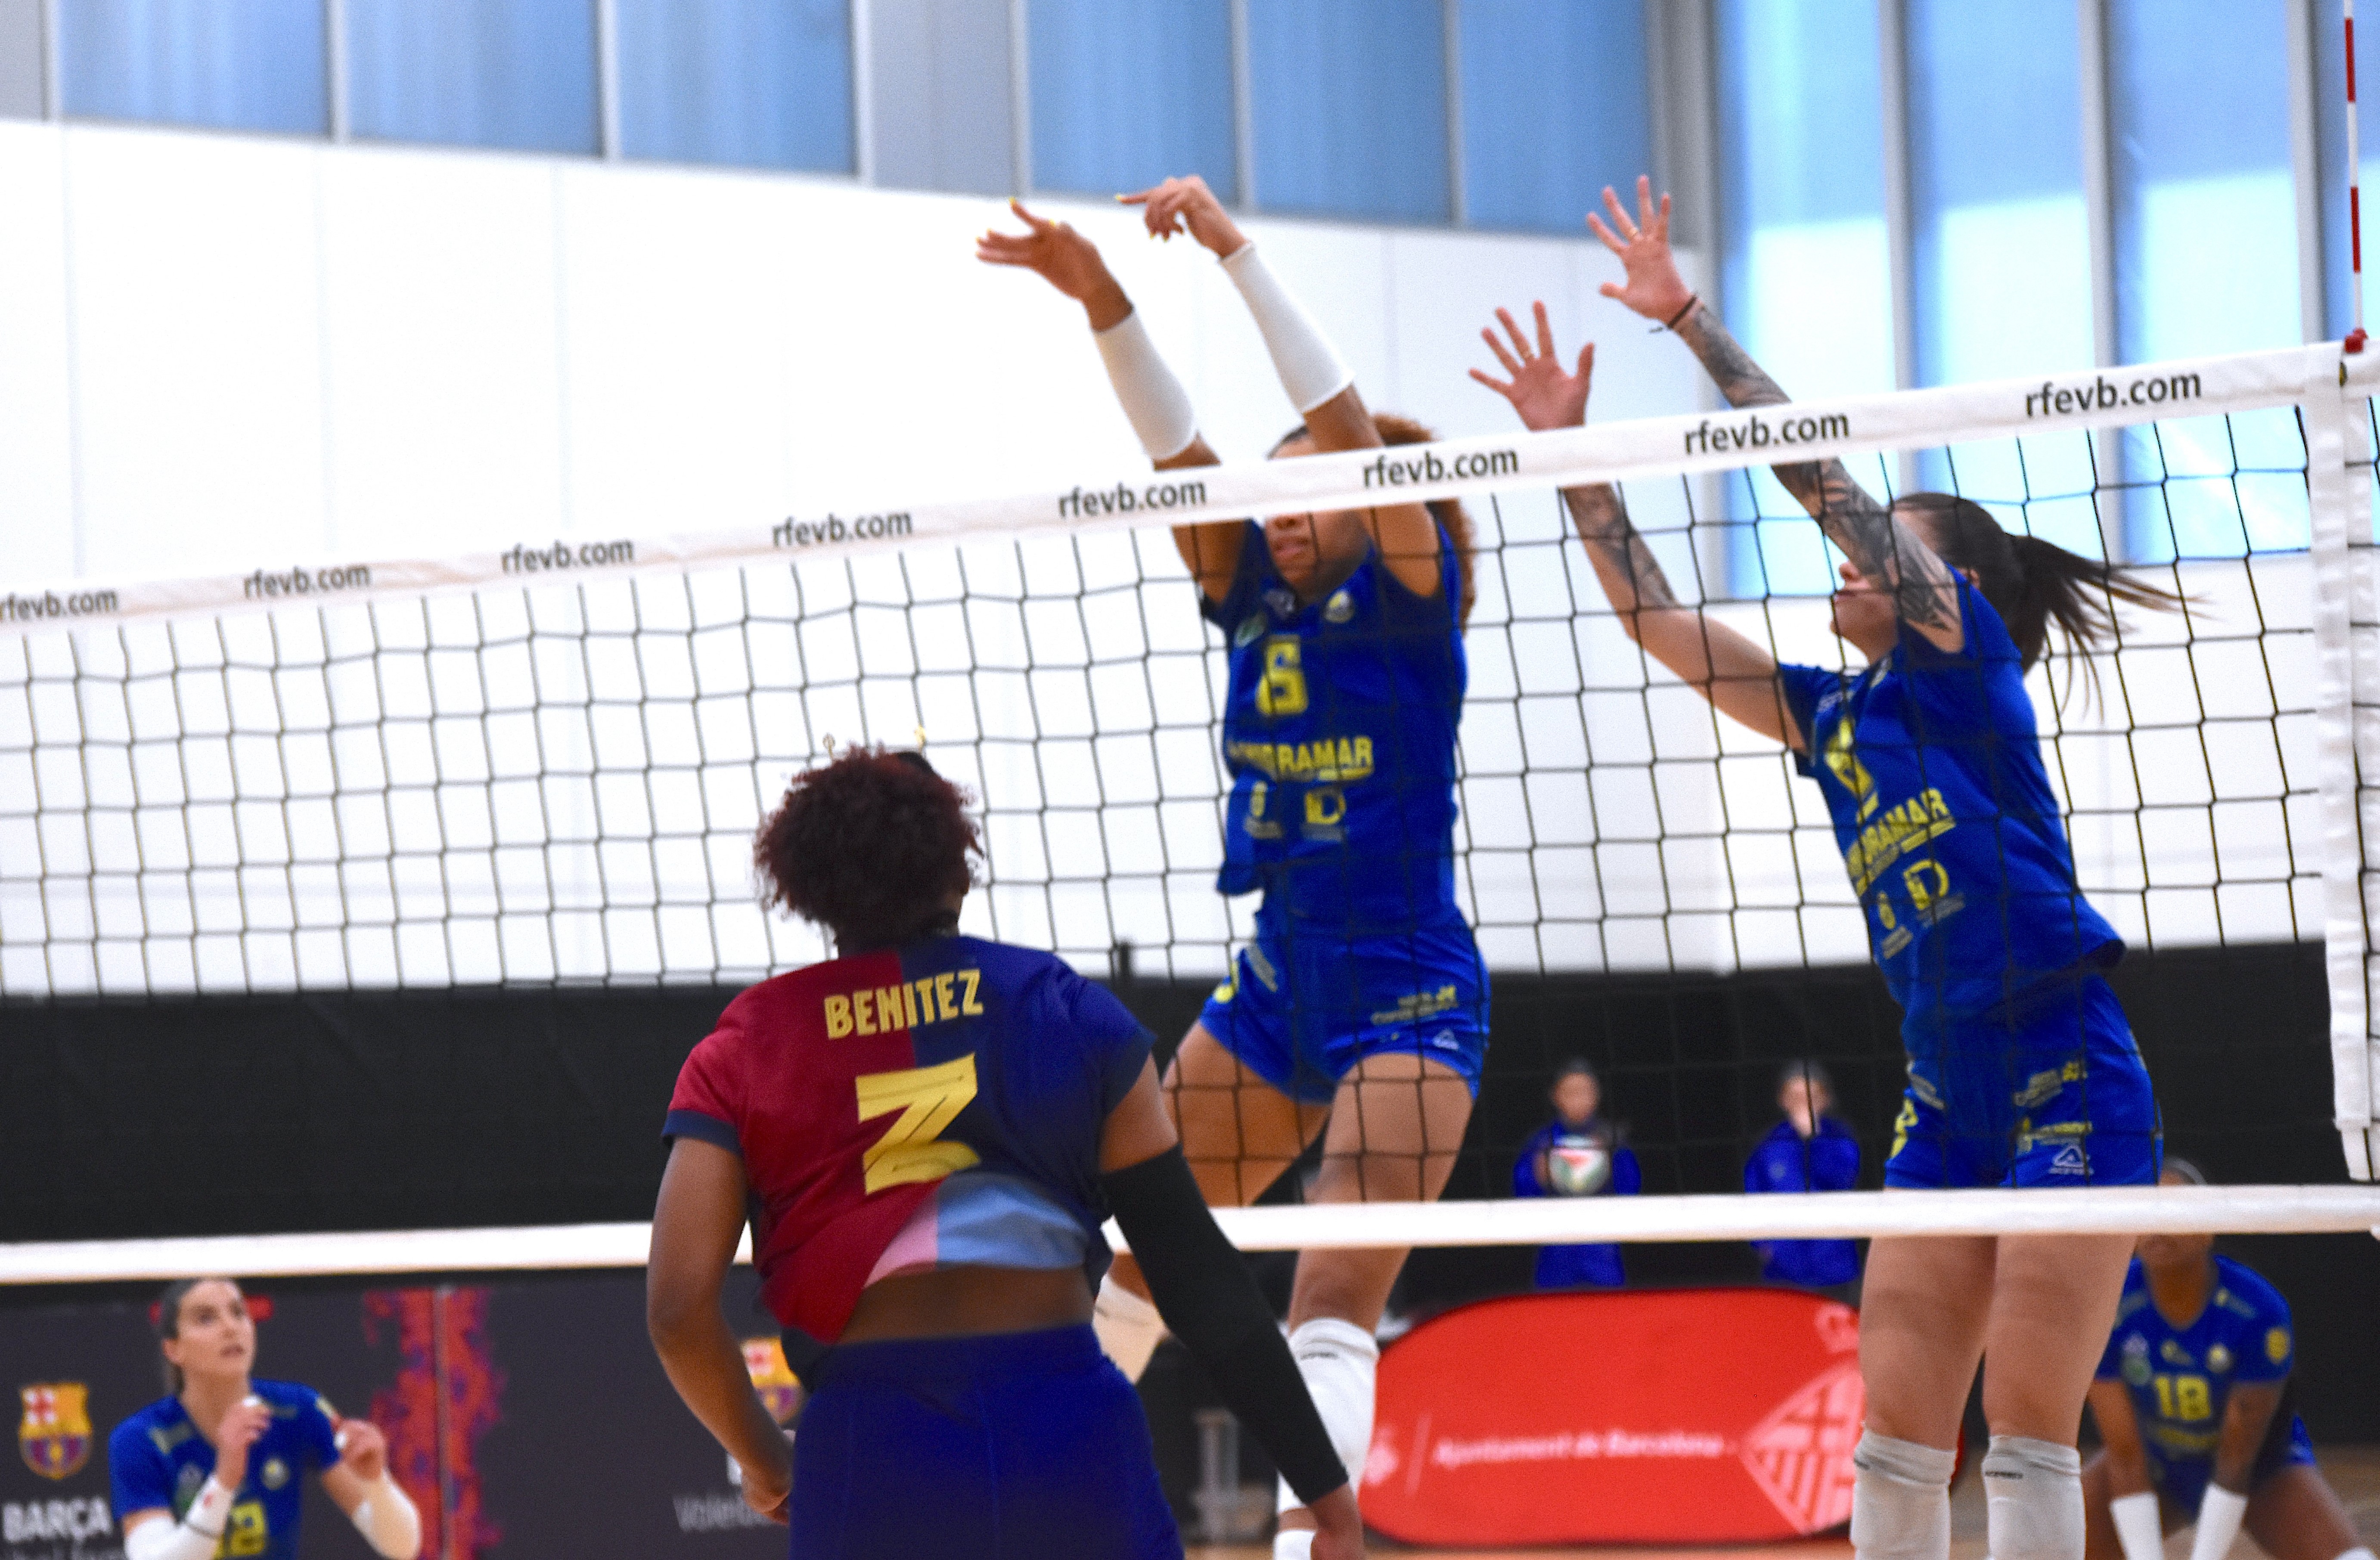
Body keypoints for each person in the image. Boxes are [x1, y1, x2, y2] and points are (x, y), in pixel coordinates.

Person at [1470, 177, 2180, 1560]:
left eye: (1881, 549)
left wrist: (1686, 319)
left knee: (2028, 1431)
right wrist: (1574, 459)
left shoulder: (1962, 669)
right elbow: (1655, 620)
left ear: (1940, 585)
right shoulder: (1830, 714)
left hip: (2067, 1066)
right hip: (1941, 1090)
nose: (1847, 562)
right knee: (1897, 1435)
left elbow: (1821, 485)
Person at [980, 175, 1484, 1560]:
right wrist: (1103, 296)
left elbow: (1343, 429)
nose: (1278, 509)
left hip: (1407, 982)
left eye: (1304, 488)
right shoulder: (1249, 591)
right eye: (1269, 494)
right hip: (1275, 979)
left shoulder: (1410, 599)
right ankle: (1029, 1519)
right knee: (1137, 1253)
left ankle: (1308, 1545)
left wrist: (1234, 253)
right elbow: (1177, 452)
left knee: (1330, 1286)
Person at [645, 746, 1362, 1560]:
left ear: (811, 890)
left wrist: (763, 1458)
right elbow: (1197, 1276)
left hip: (872, 1450)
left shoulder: (743, 1050)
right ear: (960, 872)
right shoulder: (1068, 1011)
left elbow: (675, 1311)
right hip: (1066, 1433)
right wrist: (1324, 1490)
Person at [2084, 1161, 2375, 1560]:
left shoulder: (2256, 1309)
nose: (2156, 1225)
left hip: (2262, 1470)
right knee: (2045, 1540)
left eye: (2172, 1211)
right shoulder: (2108, 1303)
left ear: (2209, 1227)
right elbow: (2124, 1454)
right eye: (2144, 1210)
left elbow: (2236, 1458)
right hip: (2156, 1461)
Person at [108, 1277, 419, 1560]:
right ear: (173, 1349)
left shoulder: (299, 1409)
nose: (230, 1328)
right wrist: (224, 1482)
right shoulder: (139, 1438)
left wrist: (377, 1483)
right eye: (206, 1318)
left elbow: (403, 1547)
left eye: (238, 1313)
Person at [1511, 1058, 1639, 1289]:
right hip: (1556, 1253)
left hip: (1601, 1252)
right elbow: (1521, 1194)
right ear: (1556, 1097)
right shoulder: (1542, 1142)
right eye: (1571, 1093)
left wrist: (1611, 1165)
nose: (1578, 1100)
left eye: (1584, 1092)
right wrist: (1538, 1175)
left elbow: (1631, 1191)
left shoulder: (1613, 1141)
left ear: (1596, 1096)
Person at [1745, 1060, 1863, 1294]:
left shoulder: (1840, 1138)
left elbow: (1842, 1178)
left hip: (1834, 1267)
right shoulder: (1770, 1143)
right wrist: (1764, 1246)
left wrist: (1814, 1139)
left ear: (1825, 1100)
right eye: (1796, 1097)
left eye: (1811, 1097)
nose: (1803, 1104)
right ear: (1783, 1100)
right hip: (1783, 1272)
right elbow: (1753, 1194)